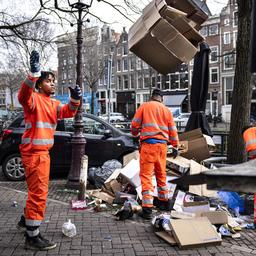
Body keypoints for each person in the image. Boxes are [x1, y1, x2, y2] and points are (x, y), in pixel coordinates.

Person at [16, 50, 82, 250]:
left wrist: (75, 99)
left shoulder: (53, 103)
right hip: (34, 154)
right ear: (39, 84)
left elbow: (68, 112)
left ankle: (25, 222)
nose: (52, 83)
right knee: (39, 194)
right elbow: (23, 95)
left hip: (41, 154)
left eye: (53, 80)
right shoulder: (34, 99)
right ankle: (32, 237)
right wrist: (33, 73)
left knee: (36, 192)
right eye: (48, 80)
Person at [131, 89, 179, 220]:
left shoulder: (144, 106)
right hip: (162, 147)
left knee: (146, 176)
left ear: (151, 97)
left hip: (149, 146)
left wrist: (135, 134)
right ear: (161, 98)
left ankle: (147, 209)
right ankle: (165, 202)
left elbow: (134, 125)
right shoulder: (166, 110)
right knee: (161, 174)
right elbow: (173, 130)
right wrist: (175, 146)